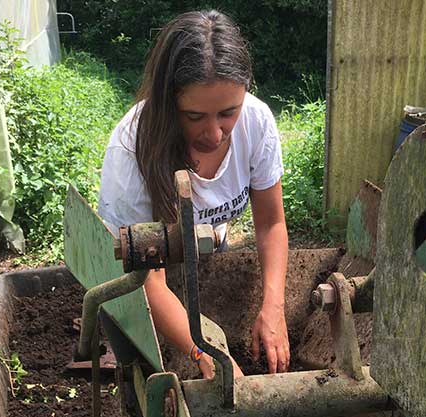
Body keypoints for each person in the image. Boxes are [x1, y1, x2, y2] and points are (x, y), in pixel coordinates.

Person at [97, 10, 290, 378]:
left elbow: (270, 224)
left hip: (204, 249)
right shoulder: (131, 148)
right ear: (168, 102)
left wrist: (274, 309)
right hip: (140, 274)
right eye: (195, 116)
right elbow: (148, 281)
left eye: (227, 113)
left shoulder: (257, 122)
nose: (215, 134)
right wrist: (204, 354)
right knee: (136, 363)